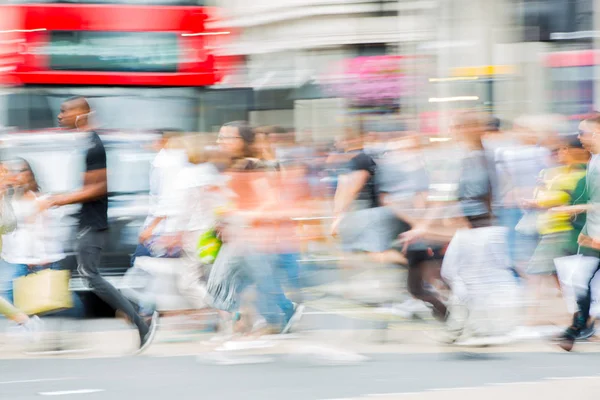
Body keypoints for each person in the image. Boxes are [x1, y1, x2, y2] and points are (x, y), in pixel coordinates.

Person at [39, 96, 158, 354]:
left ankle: (141, 320)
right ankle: (57, 339)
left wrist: (59, 199)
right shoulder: (85, 144)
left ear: (81, 114)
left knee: (90, 276)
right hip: (82, 222)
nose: (60, 116)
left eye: (65, 111)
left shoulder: (94, 145)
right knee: (63, 274)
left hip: (92, 225)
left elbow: (98, 188)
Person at [208, 121, 303, 335]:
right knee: (244, 282)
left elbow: (270, 200)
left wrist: (241, 218)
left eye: (227, 137)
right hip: (242, 236)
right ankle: (261, 319)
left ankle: (261, 320)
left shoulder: (253, 166)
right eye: (220, 136)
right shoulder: (234, 165)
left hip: (253, 236)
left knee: (226, 283)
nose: (220, 141)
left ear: (243, 141)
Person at [0, 158, 83, 319]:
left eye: (20, 171)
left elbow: (42, 232)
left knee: (52, 300)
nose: (15, 176)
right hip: (13, 260)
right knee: (19, 301)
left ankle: (75, 322)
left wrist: (40, 260)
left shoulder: (41, 200)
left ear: (30, 175)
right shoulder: (8, 201)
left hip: (37, 261)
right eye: (11, 172)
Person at [554, 116, 600, 351]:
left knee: (583, 280)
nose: (580, 137)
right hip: (593, 232)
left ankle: (578, 327)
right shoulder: (594, 161)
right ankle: (577, 327)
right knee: (582, 280)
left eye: (584, 132)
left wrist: (578, 208)